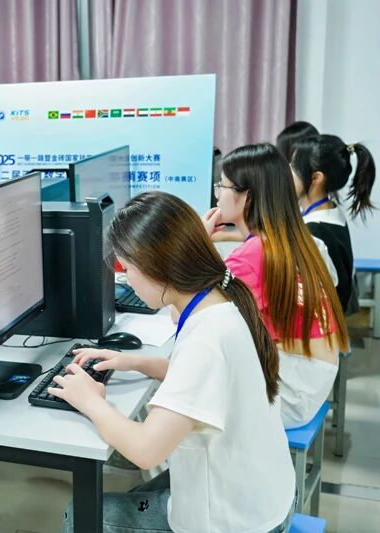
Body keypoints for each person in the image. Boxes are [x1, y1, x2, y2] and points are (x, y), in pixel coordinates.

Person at [55, 191, 295, 532]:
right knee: (132, 495)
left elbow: (146, 451)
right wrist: (134, 362)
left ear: (156, 266)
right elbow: (207, 380)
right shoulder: (220, 299)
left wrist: (90, 400)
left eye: (127, 268)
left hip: (240, 521)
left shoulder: (206, 338)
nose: (126, 278)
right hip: (263, 494)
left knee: (80, 515)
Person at [204, 143, 349, 428]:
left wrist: (197, 245)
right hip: (312, 375)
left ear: (247, 196)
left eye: (222, 185)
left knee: (189, 384)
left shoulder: (250, 257)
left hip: (290, 392)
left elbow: (196, 316)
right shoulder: (289, 234)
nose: (217, 194)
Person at [291, 134, 376, 314]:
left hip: (320, 325)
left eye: (294, 168)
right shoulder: (330, 212)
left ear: (316, 178)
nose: (288, 174)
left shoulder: (316, 230)